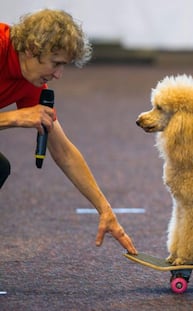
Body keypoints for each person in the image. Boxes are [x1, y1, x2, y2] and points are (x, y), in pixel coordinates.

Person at [0, 9, 137, 255]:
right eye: (56, 63)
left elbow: (63, 152)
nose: (58, 75)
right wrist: (14, 117)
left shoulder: (29, 81)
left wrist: (104, 209)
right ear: (32, 49)